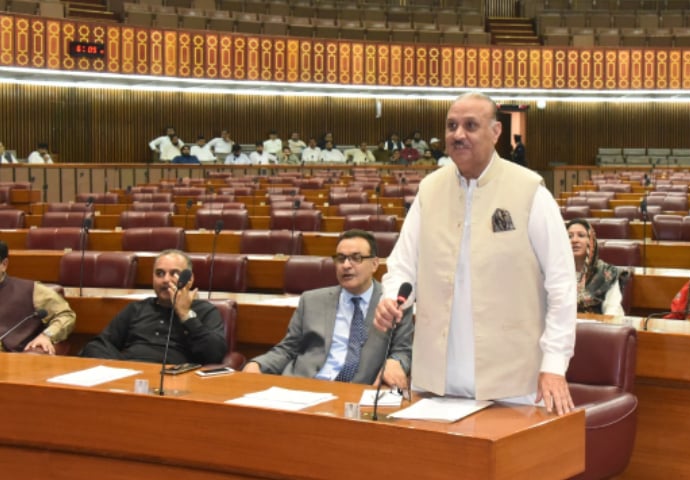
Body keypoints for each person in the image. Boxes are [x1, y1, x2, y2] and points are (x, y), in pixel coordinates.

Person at [374, 92, 576, 414]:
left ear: (496, 132)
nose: (458, 135)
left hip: (513, 380)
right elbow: (402, 265)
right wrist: (391, 297)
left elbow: (562, 284)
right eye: (451, 126)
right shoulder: (430, 189)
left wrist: (554, 363)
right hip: (437, 375)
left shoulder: (530, 191)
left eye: (470, 125)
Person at [243, 230, 413, 388]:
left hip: (355, 391)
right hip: (303, 386)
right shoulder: (311, 300)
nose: (346, 265)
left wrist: (396, 361)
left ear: (375, 264)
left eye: (356, 258)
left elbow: (402, 351)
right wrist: (258, 364)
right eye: (340, 258)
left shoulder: (393, 303)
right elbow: (288, 349)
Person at [81, 250, 227, 364]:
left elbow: (214, 354)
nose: (165, 280)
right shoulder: (136, 309)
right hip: (128, 375)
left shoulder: (205, 310)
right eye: (160, 273)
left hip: (174, 381)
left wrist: (185, 314)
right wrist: (120, 367)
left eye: (174, 273)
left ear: (189, 279)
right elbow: (99, 344)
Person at [0, 241, 75, 354]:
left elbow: (65, 315)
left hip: (11, 361)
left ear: (4, 264)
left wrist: (46, 335)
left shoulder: (31, 290)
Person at [567, 219, 627, 317]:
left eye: (581, 235)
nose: (574, 240)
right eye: (569, 236)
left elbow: (612, 312)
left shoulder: (606, 273)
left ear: (591, 242)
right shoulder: (555, 273)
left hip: (596, 329)